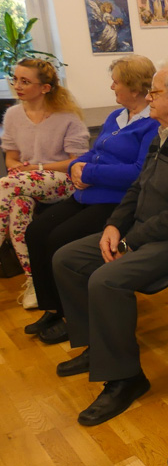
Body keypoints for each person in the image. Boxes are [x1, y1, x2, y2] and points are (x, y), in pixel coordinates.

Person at [51, 61, 168, 427]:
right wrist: (113, 227)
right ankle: (99, 347)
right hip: (152, 231)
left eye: (154, 93)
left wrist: (130, 242)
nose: (147, 98)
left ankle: (125, 378)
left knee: (107, 279)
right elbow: (137, 189)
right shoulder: (163, 132)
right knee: (68, 258)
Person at [23, 55, 159, 344]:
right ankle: (54, 307)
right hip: (88, 192)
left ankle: (74, 318)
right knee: (36, 231)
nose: (112, 87)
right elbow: (93, 152)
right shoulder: (116, 116)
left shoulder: (151, 124)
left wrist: (91, 171)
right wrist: (75, 166)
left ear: (134, 88)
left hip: (115, 201)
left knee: (58, 239)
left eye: (117, 82)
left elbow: (138, 172)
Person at [1, 59, 90, 306]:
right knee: (18, 206)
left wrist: (35, 168)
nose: (17, 85)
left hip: (62, 181)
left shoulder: (67, 117)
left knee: (6, 185)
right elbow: (11, 157)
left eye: (25, 81)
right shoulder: (12, 115)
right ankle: (35, 281)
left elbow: (77, 162)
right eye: (15, 79)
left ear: (45, 88)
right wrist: (17, 169)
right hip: (25, 181)